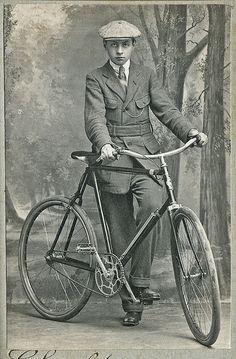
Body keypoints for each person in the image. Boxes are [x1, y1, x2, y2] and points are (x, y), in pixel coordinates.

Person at [84, 20, 207, 326]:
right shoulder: (95, 78)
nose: (120, 50)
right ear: (106, 47)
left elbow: (166, 110)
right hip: (113, 159)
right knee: (121, 229)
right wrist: (104, 144)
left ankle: (139, 283)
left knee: (154, 206)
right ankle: (132, 303)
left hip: (144, 158)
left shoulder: (145, 75)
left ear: (133, 46)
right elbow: (95, 118)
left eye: (125, 44)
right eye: (114, 45)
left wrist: (190, 131)